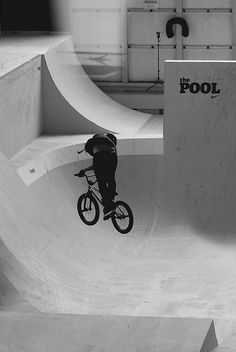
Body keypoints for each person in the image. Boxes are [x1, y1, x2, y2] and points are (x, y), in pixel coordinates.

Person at [78, 133, 118, 220]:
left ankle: (109, 206)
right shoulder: (111, 144)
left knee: (101, 182)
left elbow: (97, 165)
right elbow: (99, 165)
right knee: (111, 177)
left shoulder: (97, 141)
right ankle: (111, 200)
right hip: (113, 154)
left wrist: (83, 171)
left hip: (99, 155)